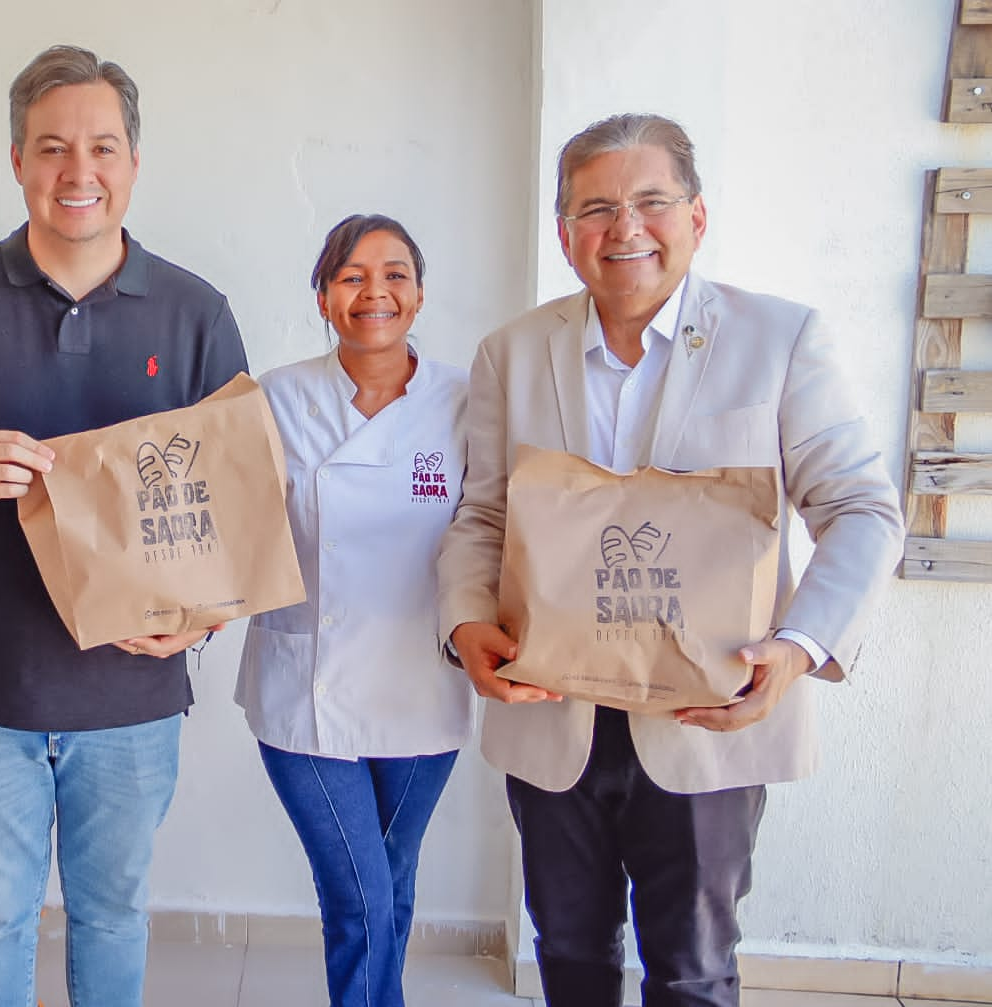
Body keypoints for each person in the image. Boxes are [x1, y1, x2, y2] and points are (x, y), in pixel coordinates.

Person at [436, 114, 904, 1007]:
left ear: (696, 216)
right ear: (565, 233)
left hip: (707, 714)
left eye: (651, 201)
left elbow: (860, 509)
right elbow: (481, 514)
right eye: (596, 208)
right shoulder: (511, 352)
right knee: (567, 955)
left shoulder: (781, 339)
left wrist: (800, 645)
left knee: (691, 971)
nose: (626, 229)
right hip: (553, 712)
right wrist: (464, 622)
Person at [0, 45, 247, 1007]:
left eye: (102, 147)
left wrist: (198, 623)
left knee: (112, 913)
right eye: (52, 148)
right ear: (16, 159)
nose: (78, 172)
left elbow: (235, 509)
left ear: (132, 162)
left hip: (130, 690)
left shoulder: (196, 312)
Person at [236, 215, 475, 1007]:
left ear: (419, 293)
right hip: (307, 689)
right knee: (360, 901)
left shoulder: (468, 403)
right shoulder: (276, 397)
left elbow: (501, 530)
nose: (375, 291)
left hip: (423, 690)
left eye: (396, 273)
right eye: (351, 276)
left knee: (390, 883)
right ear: (322, 297)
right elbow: (230, 524)